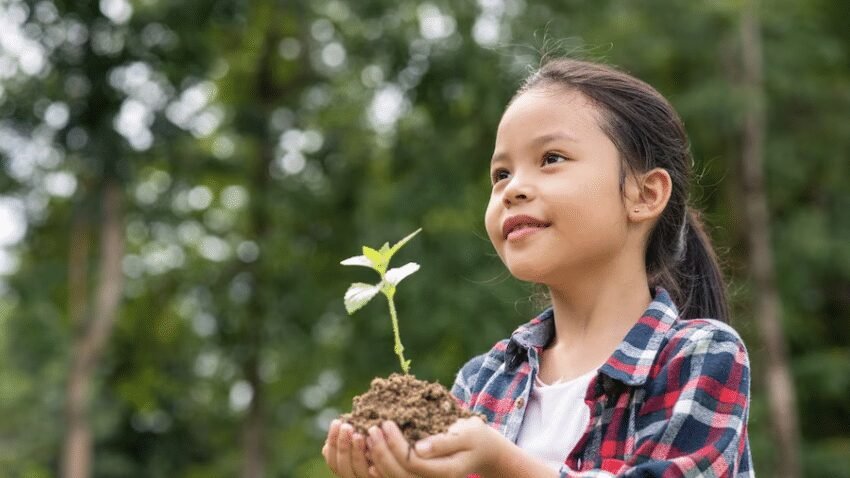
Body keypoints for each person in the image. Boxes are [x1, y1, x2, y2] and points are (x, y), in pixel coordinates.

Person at [322, 58, 753, 477]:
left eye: (551, 158)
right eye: (501, 173)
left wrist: (501, 464)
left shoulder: (699, 356)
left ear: (644, 194)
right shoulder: (482, 381)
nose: (513, 190)